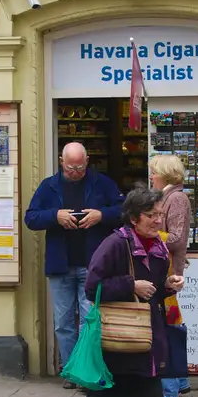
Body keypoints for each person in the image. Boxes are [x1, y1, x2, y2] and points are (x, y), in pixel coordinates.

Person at [71, 187, 198, 397]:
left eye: (160, 214)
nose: (158, 220)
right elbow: (92, 287)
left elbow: (154, 291)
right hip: (118, 342)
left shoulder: (159, 248)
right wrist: (130, 284)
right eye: (152, 215)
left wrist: (169, 286)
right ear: (134, 218)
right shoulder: (115, 244)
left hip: (145, 342)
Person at [24, 142, 124, 368]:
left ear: (87, 162)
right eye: (70, 168)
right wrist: (54, 216)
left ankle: (85, 369)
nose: (75, 173)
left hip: (93, 263)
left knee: (88, 321)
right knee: (63, 323)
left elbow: (124, 210)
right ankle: (70, 370)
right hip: (61, 264)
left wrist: (101, 215)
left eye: (80, 168)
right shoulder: (49, 186)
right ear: (61, 161)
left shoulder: (103, 183)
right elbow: (31, 218)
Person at [150, 154, 192, 397]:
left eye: (154, 172)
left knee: (166, 327)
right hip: (166, 269)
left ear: (165, 173)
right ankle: (180, 380)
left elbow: (176, 238)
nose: (151, 176)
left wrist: (148, 233)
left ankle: (169, 389)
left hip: (168, 272)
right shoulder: (167, 196)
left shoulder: (176, 198)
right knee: (171, 323)